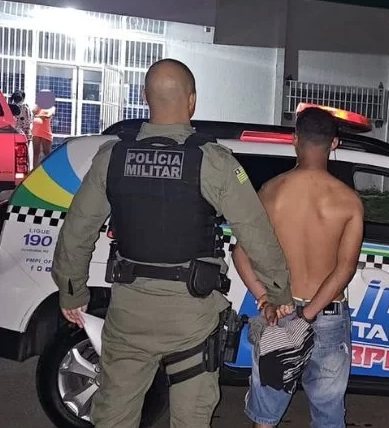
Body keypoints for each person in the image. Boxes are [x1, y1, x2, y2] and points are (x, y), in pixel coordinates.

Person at [51, 58, 292, 428]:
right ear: (192, 100)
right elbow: (257, 234)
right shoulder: (215, 163)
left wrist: (72, 292)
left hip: (130, 315)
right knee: (191, 420)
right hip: (190, 318)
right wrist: (278, 292)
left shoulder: (112, 157)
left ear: (145, 97)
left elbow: (77, 231)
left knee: (113, 417)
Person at [232, 106, 365, 428]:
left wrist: (264, 298)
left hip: (280, 312)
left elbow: (240, 254)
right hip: (327, 317)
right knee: (328, 412)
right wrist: (308, 316)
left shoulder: (271, 191)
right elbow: (345, 269)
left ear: (295, 139)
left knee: (265, 414)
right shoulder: (348, 201)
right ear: (334, 143)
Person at [32, 96, 55, 165]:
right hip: (37, 130)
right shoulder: (39, 106)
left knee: (46, 152)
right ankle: (35, 169)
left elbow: (48, 115)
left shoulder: (51, 107)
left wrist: (38, 116)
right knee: (37, 152)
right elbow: (33, 111)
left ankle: (48, 168)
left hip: (44, 130)